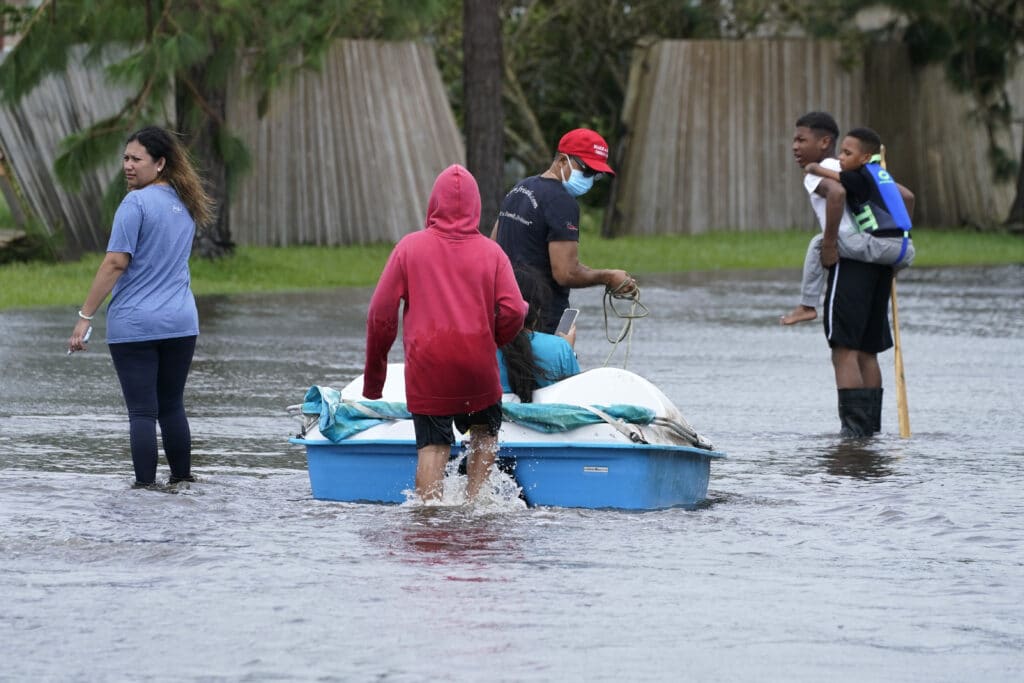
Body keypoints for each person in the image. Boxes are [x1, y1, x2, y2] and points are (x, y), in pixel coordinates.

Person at [362, 164, 527, 501]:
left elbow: (380, 315)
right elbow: (514, 310)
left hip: (429, 369)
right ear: (476, 206)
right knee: (484, 436)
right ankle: (476, 505)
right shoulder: (492, 253)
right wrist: (491, 340)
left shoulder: (409, 249)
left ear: (433, 204)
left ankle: (429, 519)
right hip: (478, 369)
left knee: (433, 447)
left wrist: (374, 381)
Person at [67, 126, 214, 487]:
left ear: (160, 163)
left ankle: (145, 491)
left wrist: (84, 317)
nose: (128, 166)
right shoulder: (186, 202)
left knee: (142, 413)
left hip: (136, 325)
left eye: (136, 159)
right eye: (126, 158)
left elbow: (115, 262)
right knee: (173, 406)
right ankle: (182, 482)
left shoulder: (135, 204)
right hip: (181, 323)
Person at [789, 111, 899, 437]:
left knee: (843, 350)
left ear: (825, 142)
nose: (794, 147)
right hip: (880, 260)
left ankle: (853, 436)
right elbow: (904, 197)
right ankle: (870, 433)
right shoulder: (862, 170)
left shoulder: (820, 173)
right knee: (867, 351)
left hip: (850, 263)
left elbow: (835, 196)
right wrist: (895, 244)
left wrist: (830, 244)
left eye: (801, 140)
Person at [491, 127, 635, 334]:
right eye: (587, 170)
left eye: (597, 175)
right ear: (561, 161)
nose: (590, 178)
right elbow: (565, 273)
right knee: (556, 363)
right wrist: (609, 277)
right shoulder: (562, 201)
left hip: (506, 314)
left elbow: (494, 245)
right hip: (542, 319)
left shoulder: (519, 188)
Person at [782, 126, 916, 325]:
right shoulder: (880, 176)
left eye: (847, 153)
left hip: (881, 246)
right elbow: (908, 196)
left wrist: (812, 168)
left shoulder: (859, 176)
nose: (841, 158)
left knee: (819, 242)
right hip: (906, 250)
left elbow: (835, 185)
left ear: (864, 158)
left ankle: (807, 306)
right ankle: (892, 267)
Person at [497, 266, 581, 403]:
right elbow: (574, 400)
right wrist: (568, 351)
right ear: (538, 311)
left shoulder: (480, 348)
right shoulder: (559, 348)